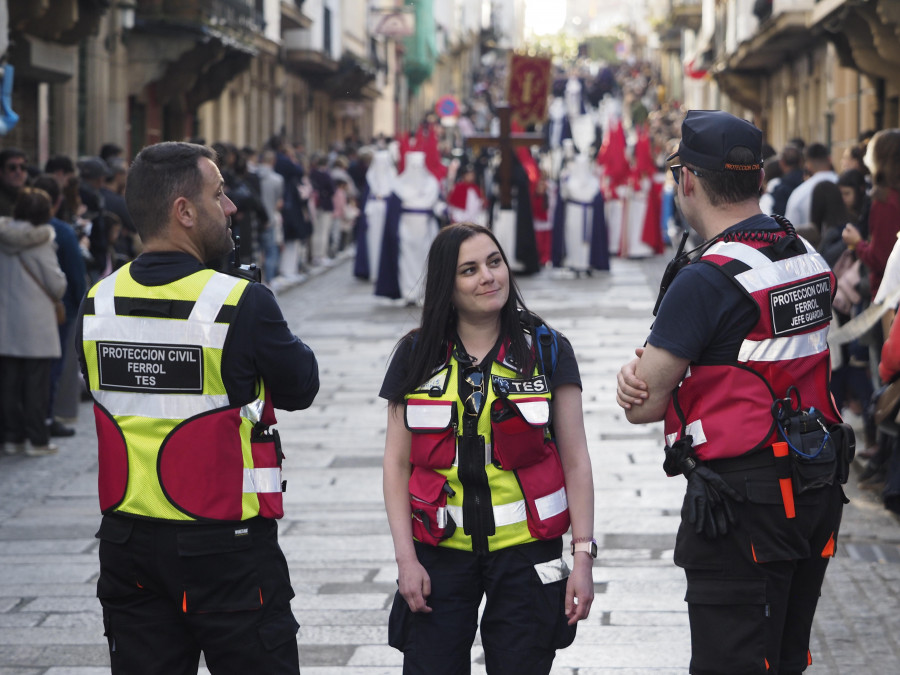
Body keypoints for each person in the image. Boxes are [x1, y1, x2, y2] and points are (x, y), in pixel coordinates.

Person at [616, 110, 848, 675]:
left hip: (742, 502)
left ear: (688, 180)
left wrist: (635, 383)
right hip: (814, 482)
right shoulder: (802, 254)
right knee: (784, 656)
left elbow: (645, 404)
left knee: (734, 659)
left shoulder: (708, 278)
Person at [76, 142, 319, 674]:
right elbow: (301, 386)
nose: (230, 207)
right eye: (218, 195)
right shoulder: (240, 302)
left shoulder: (97, 302)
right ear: (184, 211)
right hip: (225, 547)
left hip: (127, 543)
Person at [381, 223, 595, 675]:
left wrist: (581, 559)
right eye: (470, 270)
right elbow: (396, 464)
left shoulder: (548, 349)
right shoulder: (415, 354)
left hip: (527, 554)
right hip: (438, 553)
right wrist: (406, 559)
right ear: (447, 284)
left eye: (494, 262)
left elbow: (576, 462)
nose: (488, 277)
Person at [0, 187, 67, 456]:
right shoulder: (41, 242)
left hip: (5, 322)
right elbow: (57, 285)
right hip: (36, 324)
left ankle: (12, 437)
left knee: (8, 385)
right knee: (35, 386)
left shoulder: (3, 235)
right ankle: (37, 440)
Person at [784, 142, 838, 227]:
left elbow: (790, 230)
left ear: (808, 165)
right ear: (830, 159)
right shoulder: (842, 185)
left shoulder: (799, 193)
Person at [0, 148, 29, 216]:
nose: (18, 172)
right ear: (1, 171)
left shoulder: (33, 195)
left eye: (22, 167)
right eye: (12, 167)